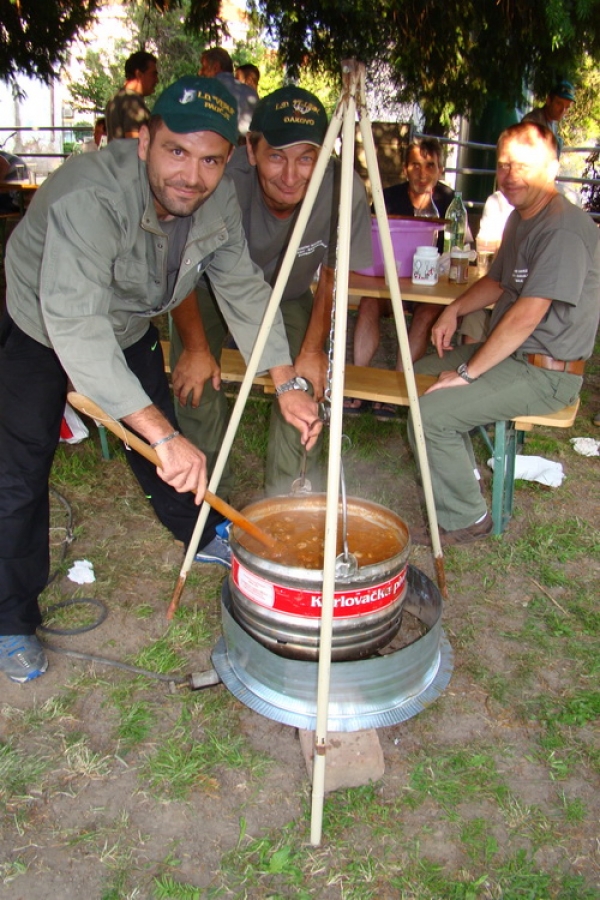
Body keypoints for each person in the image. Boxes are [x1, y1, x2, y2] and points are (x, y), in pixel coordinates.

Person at [0, 76, 321, 684]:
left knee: (164, 442)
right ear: (144, 140)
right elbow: (75, 324)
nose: (191, 177)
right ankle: (10, 619)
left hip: (125, 322)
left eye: (210, 160)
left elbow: (243, 289)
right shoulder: (89, 196)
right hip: (42, 325)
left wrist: (287, 383)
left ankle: (198, 533)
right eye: (176, 151)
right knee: (18, 475)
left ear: (229, 161)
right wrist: (153, 428)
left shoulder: (216, 197)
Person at [170, 85, 372, 497]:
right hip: (205, 288)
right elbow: (178, 268)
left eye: (306, 158)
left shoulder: (343, 189)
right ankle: (208, 499)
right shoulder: (220, 183)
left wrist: (313, 350)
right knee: (194, 382)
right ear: (251, 150)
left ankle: (289, 498)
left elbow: (333, 275)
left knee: (305, 384)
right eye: (277, 156)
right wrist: (194, 348)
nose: (291, 175)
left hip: (290, 293)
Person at [408, 121, 600, 546]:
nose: (510, 175)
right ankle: (463, 472)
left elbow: (529, 314)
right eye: (503, 165)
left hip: (548, 373)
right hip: (519, 358)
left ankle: (467, 517)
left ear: (551, 167)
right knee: (419, 372)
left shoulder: (563, 229)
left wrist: (469, 373)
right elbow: (499, 282)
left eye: (523, 165)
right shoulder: (522, 218)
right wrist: (453, 310)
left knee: (431, 414)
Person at [346, 138, 464, 418]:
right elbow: (370, 241)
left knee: (427, 315)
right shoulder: (387, 197)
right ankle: (357, 386)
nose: (422, 173)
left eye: (430, 166)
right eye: (415, 165)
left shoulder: (449, 202)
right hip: (391, 283)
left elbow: (461, 247)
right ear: (404, 168)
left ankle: (398, 389)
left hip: (428, 288)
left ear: (440, 169)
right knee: (368, 304)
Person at [199, 47, 258, 141]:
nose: (200, 72)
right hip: (247, 150)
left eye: (204, 67)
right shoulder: (251, 93)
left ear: (216, 66)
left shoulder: (205, 91)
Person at [105, 50, 159, 141]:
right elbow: (135, 144)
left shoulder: (115, 99)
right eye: (153, 74)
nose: (157, 80)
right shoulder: (132, 103)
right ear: (139, 74)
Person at [522, 80, 575, 156]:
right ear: (548, 100)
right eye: (559, 104)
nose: (562, 110)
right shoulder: (532, 122)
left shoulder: (553, 122)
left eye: (567, 107)